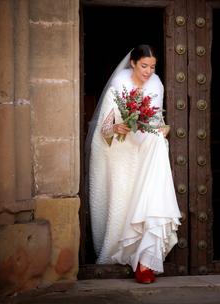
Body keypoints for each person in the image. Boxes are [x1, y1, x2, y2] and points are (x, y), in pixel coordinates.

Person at [86, 44, 181, 284]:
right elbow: (105, 129)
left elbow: (159, 122)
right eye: (144, 66)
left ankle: (146, 261)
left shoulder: (156, 86)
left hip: (146, 152)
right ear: (133, 64)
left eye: (152, 67)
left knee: (151, 194)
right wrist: (118, 127)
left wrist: (162, 130)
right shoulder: (119, 87)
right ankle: (122, 253)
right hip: (121, 154)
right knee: (125, 204)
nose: (149, 71)